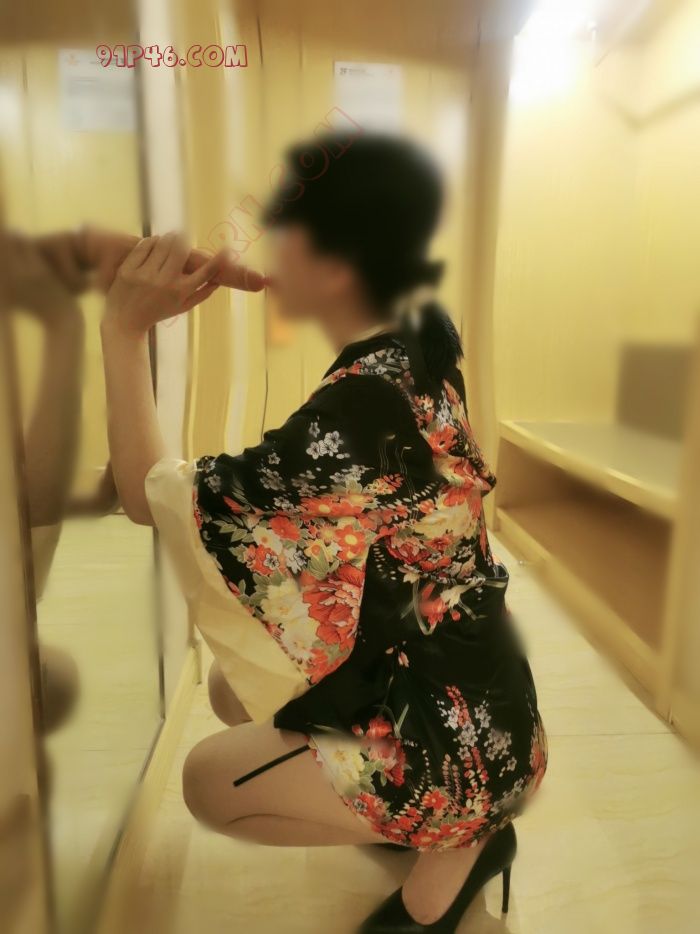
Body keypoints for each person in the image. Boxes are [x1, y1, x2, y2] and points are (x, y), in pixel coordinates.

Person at [98, 132, 548, 933]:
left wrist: (123, 331)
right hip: (488, 701)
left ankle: (460, 836)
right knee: (236, 686)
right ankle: (437, 818)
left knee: (210, 783)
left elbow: (150, 495)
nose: (267, 253)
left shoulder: (363, 405)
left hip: (461, 743)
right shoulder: (413, 349)